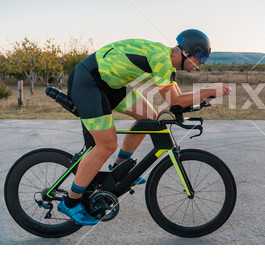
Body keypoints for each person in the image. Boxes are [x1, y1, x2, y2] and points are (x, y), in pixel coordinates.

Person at [58, 29, 230, 225]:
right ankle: (70, 202)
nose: (201, 63)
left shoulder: (168, 65)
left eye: (204, 59)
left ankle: (119, 168)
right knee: (106, 145)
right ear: (186, 52)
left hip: (110, 84)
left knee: (149, 117)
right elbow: (174, 99)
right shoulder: (161, 58)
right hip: (89, 81)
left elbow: (177, 104)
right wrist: (208, 90)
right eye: (200, 56)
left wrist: (207, 96)